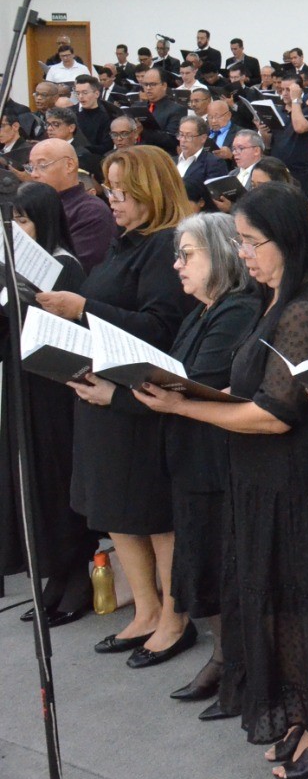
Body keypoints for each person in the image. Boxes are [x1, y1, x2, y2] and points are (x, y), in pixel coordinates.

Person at [132, 183, 308, 779]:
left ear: (289, 240)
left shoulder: (305, 308)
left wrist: (183, 408)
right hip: (259, 475)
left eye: (253, 242)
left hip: (295, 479)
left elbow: (275, 416)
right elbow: (257, 390)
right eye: (241, 243)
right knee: (274, 602)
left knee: (304, 605)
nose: (243, 254)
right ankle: (303, 713)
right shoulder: (276, 298)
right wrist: (195, 393)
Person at [36, 148, 196, 667]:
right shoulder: (122, 243)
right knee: (117, 513)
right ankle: (145, 610)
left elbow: (160, 328)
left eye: (123, 192)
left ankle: (174, 617)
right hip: (101, 391)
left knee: (153, 515)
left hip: (140, 398)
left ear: (152, 192)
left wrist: (83, 307)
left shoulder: (165, 247)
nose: (113, 200)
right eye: (109, 190)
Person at [148, 212, 261, 714]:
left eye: (187, 255)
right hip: (192, 455)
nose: (177, 266)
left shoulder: (236, 310)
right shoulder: (201, 311)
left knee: (222, 566)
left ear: (221, 254)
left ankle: (238, 666)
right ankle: (223, 657)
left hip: (219, 460)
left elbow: (200, 376)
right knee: (205, 564)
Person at [0, 183, 94, 628]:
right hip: (24, 386)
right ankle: (54, 575)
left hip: (56, 390)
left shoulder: (64, 266)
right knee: (33, 479)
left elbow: (72, 333)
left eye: (24, 220)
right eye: (12, 220)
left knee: (58, 478)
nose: (17, 229)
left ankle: (77, 575)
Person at [29, 137, 116, 271]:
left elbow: (73, 268)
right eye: (31, 167)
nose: (34, 174)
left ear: (69, 165)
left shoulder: (91, 211)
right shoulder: (35, 204)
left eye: (42, 165)